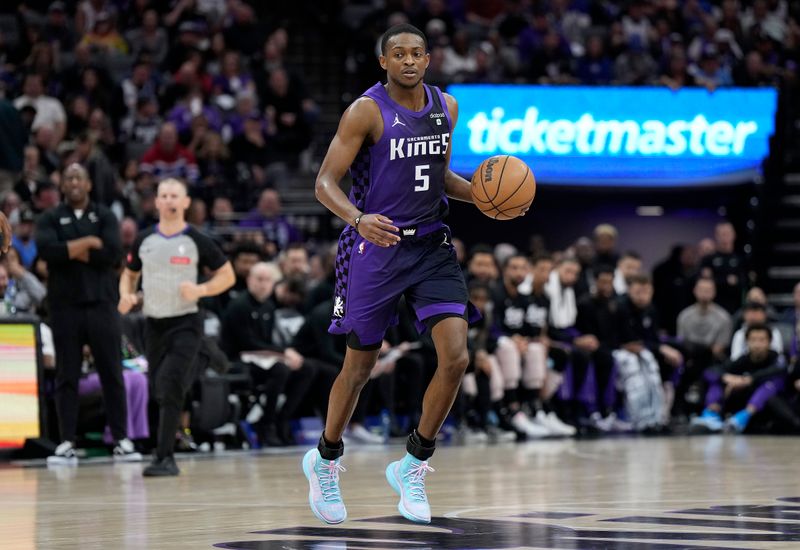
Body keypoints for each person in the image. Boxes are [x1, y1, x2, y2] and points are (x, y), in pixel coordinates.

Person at [302, 24, 491, 525]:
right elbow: (324, 183)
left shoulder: (446, 107)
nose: (408, 61)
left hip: (431, 245)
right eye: (398, 54)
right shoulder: (365, 111)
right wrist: (358, 218)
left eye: (416, 53)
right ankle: (325, 457)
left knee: (456, 357)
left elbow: (443, 177)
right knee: (359, 369)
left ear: (428, 59)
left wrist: (486, 199)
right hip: (375, 247)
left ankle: (413, 463)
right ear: (383, 62)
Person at [118, 178, 235, 476]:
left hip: (186, 322)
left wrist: (201, 291)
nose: (169, 200)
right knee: (158, 385)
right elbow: (129, 274)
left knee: (170, 385)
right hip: (153, 324)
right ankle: (206, 354)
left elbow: (227, 275)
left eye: (175, 195)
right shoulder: (144, 239)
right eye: (164, 195)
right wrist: (126, 295)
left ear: (185, 203)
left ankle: (165, 457)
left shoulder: (197, 239)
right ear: (156, 202)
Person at [35, 164, 140, 465]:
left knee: (112, 372)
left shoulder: (105, 216)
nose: (73, 182)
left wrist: (69, 250)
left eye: (78, 177)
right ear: (62, 186)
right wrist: (89, 243)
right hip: (64, 307)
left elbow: (112, 254)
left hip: (101, 305)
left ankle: (121, 438)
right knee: (67, 374)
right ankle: (67, 441)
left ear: (89, 184)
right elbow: (47, 251)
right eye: (68, 178)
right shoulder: (50, 217)